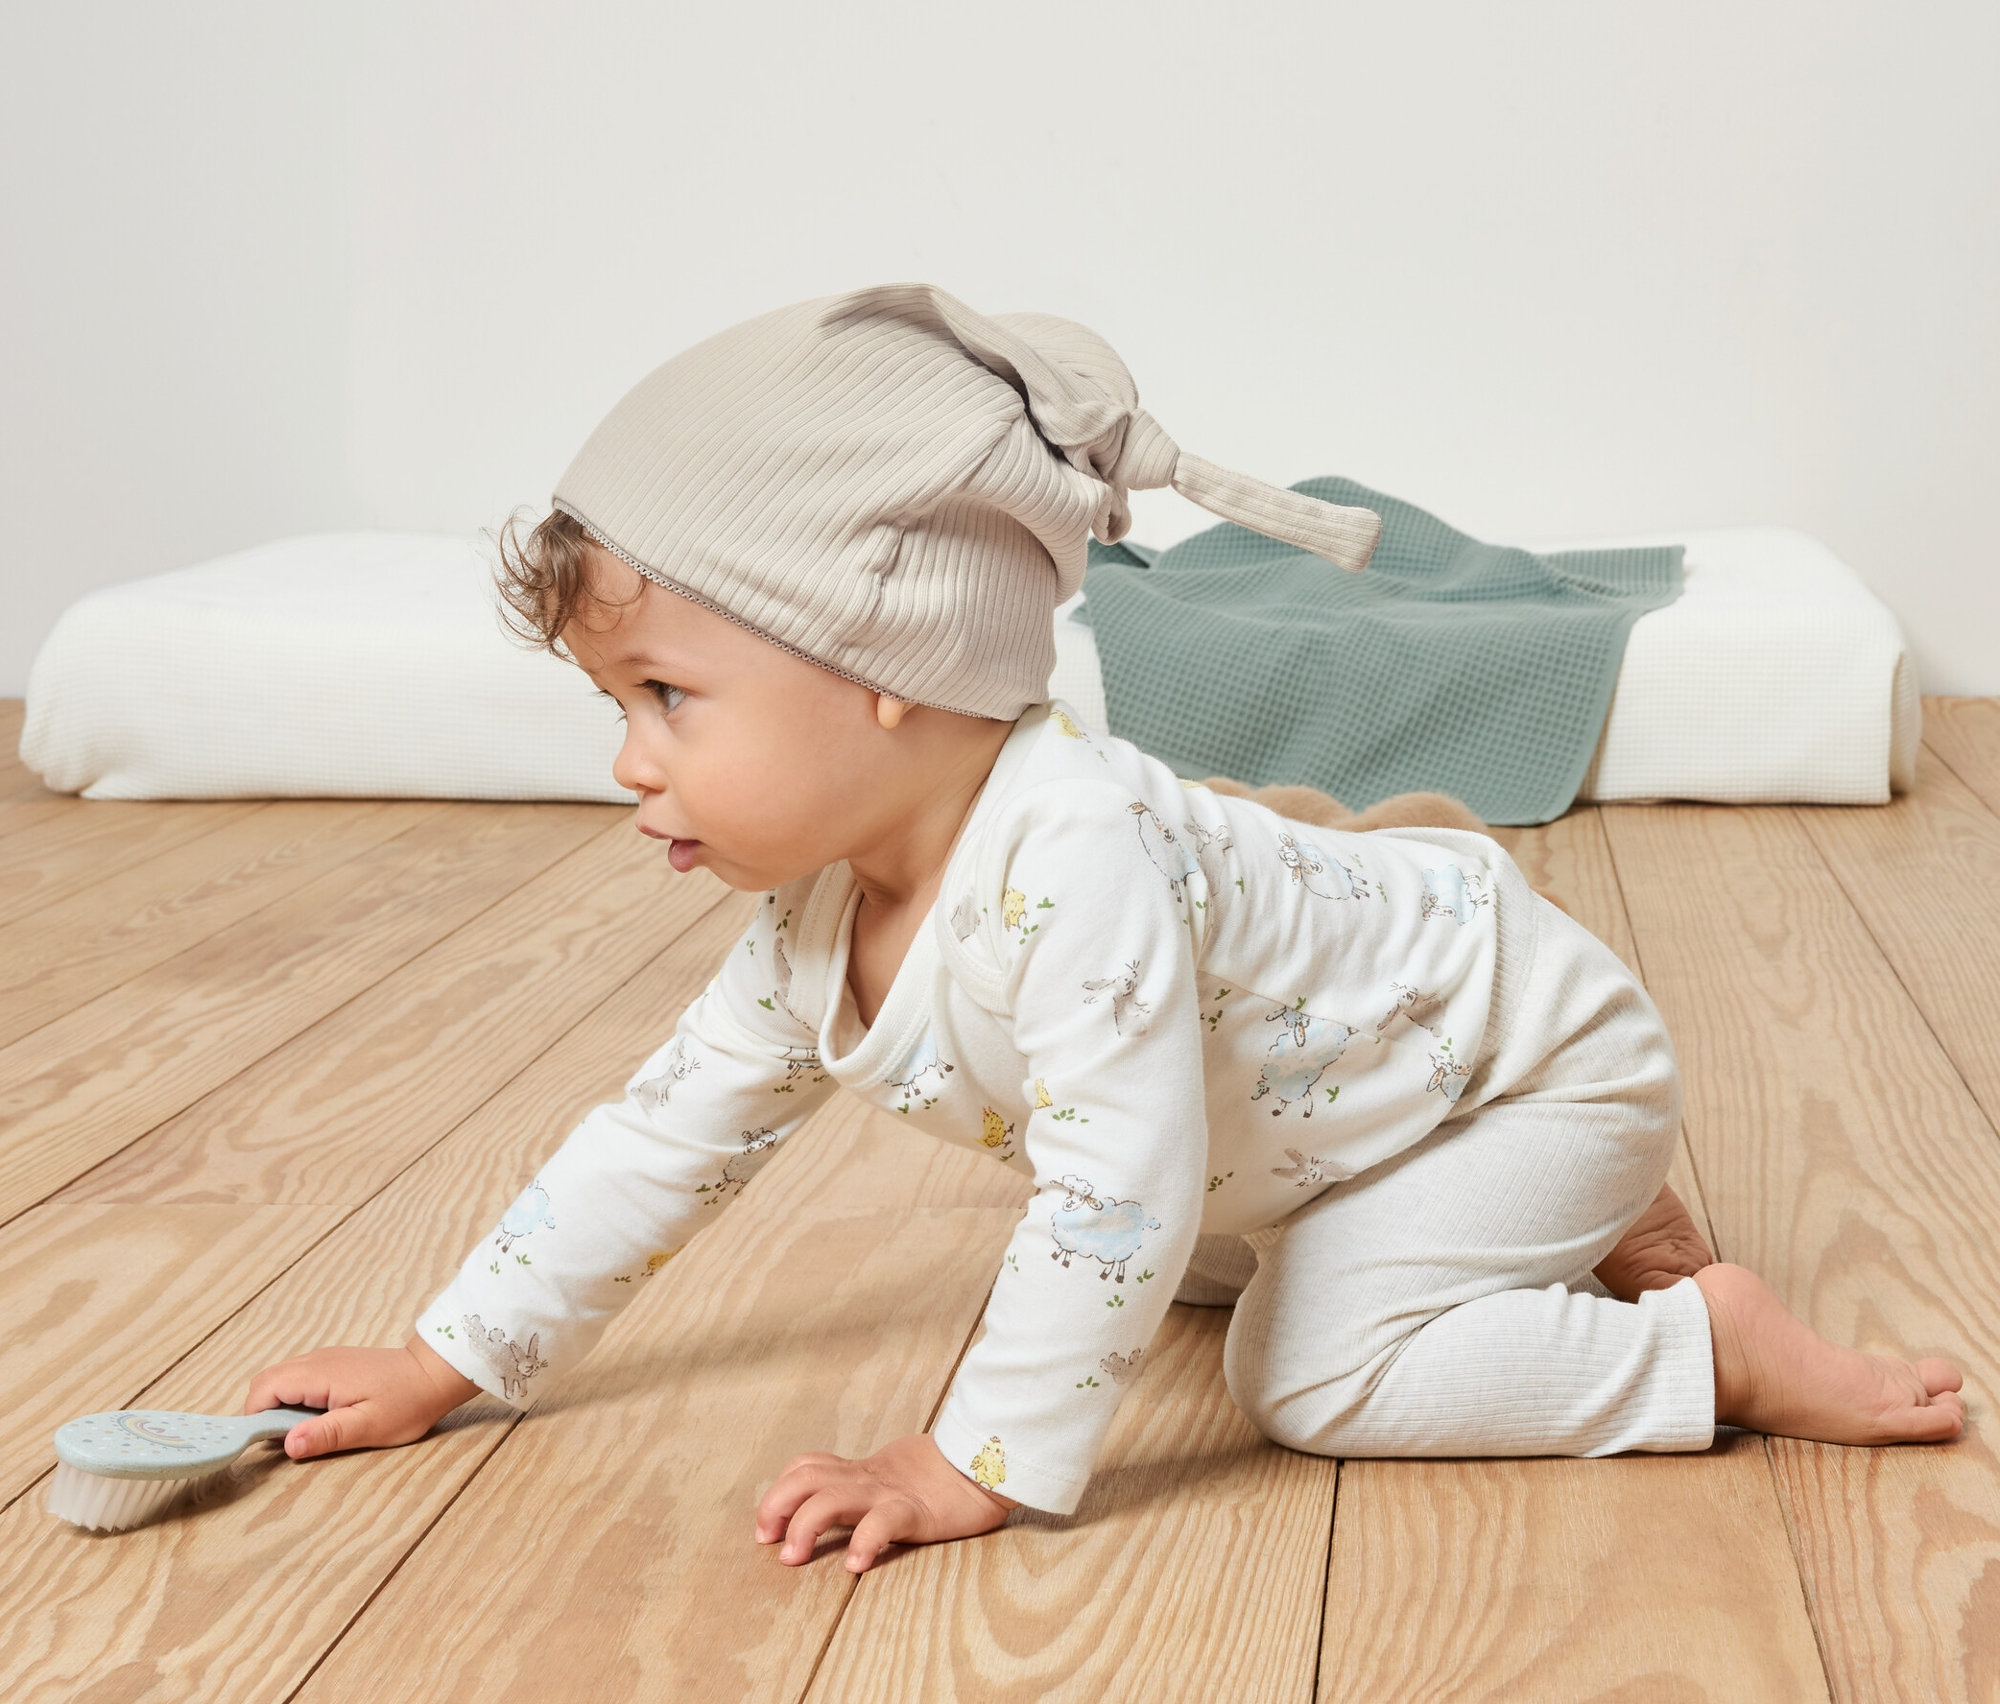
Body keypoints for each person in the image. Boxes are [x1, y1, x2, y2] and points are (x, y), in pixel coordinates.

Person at [245, 283, 1964, 1573]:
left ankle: (1700, 1344)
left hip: (1530, 1070)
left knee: (1307, 1371)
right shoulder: (808, 921)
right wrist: (447, 1356)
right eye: (618, 704)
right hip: (1350, 1101)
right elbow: (664, 1135)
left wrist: (965, 1462)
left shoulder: (1067, 861)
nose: (628, 759)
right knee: (1199, 1264)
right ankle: (1536, 1219)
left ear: (885, 670)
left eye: (668, 695)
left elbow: (1111, 1198)